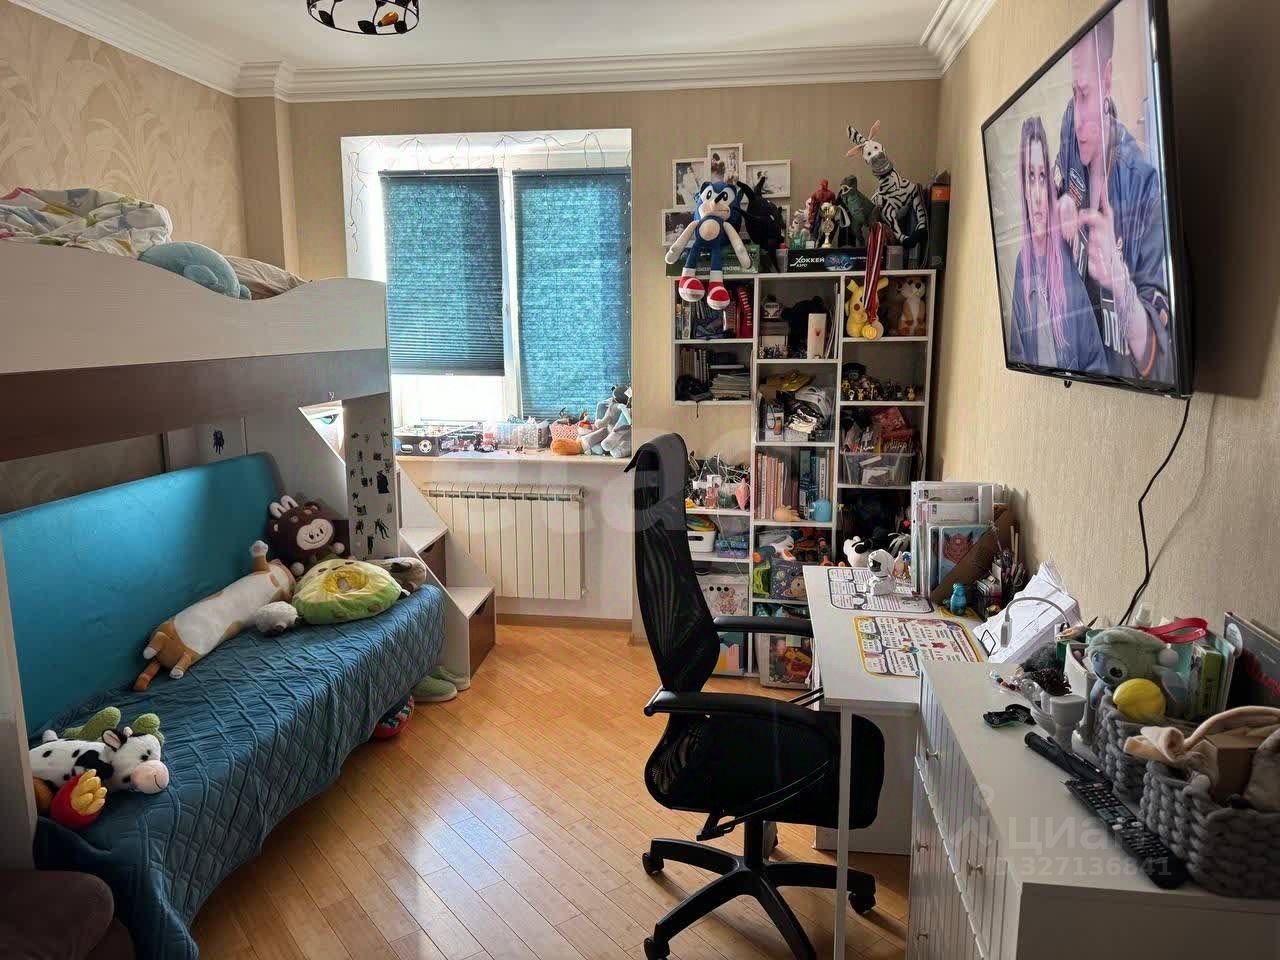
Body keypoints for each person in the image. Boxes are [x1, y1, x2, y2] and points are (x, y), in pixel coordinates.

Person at [1055, 9, 1174, 383]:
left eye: (1085, 93)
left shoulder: (1147, 193)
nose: (1078, 118)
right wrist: (1063, 201)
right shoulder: (1070, 125)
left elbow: (1163, 359)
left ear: (1106, 81)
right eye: (1074, 93)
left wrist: (1120, 282)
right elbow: (1062, 182)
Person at [1008, 116, 1106, 373]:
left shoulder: (1067, 253)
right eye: (1030, 177)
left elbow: (1095, 359)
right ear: (1023, 187)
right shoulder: (1022, 266)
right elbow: (1019, 355)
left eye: (1042, 176)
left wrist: (1069, 202)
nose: (1038, 195)